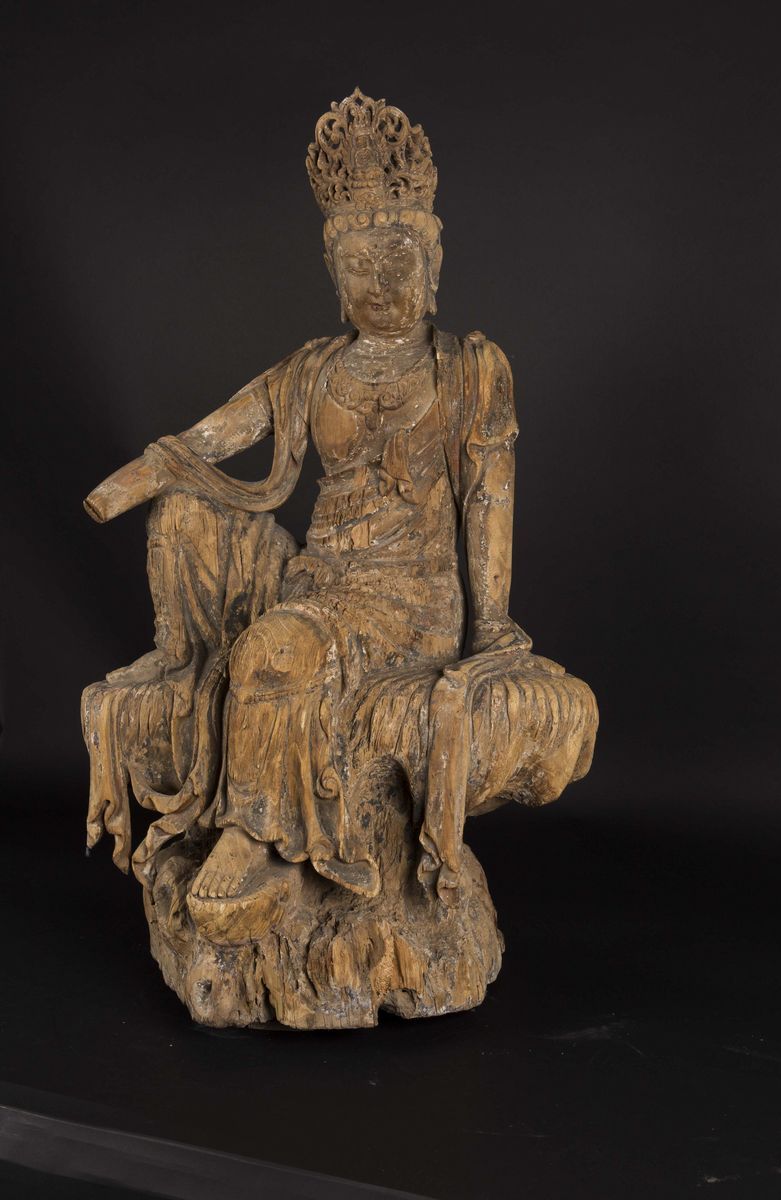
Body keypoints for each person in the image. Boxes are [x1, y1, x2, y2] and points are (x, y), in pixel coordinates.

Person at [84, 89, 588, 913]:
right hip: (319, 580)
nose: (379, 283)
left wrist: (491, 623)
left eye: (397, 261)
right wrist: (134, 481)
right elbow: (212, 438)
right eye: (359, 266)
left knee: (276, 648)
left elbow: (488, 503)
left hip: (409, 602)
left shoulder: (468, 370)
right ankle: (192, 676)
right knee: (187, 512)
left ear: (432, 264)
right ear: (332, 272)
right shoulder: (315, 368)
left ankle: (262, 838)